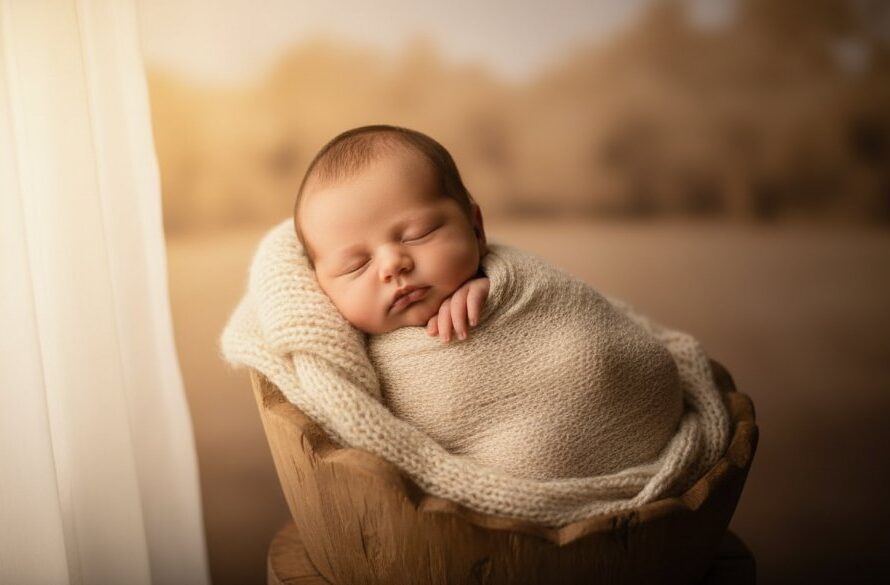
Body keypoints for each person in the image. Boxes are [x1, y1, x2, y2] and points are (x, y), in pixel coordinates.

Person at [293, 124, 490, 342]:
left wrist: (495, 292)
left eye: (418, 234)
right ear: (321, 288)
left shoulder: (507, 283)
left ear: (476, 230)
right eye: (356, 265)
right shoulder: (329, 341)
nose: (392, 265)